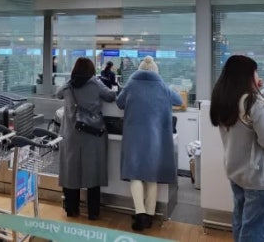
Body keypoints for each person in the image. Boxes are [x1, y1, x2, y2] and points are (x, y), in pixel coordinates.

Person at [211, 55, 264, 242]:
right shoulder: (253, 102)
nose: (258, 76)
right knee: (260, 232)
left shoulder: (225, 101)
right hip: (262, 177)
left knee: (244, 226)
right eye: (255, 72)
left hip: (238, 172)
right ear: (248, 75)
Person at [116, 56, 182, 231]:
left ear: (139, 68)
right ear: (155, 70)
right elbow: (179, 101)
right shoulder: (162, 86)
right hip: (156, 138)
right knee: (151, 176)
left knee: (135, 175)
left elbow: (119, 102)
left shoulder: (131, 84)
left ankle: (140, 214)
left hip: (134, 137)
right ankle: (150, 215)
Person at [56, 57, 115, 220]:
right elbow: (111, 96)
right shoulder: (96, 83)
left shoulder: (69, 85)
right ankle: (93, 213)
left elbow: (58, 94)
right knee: (92, 173)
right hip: (92, 135)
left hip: (71, 135)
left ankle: (71, 209)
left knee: (71, 172)